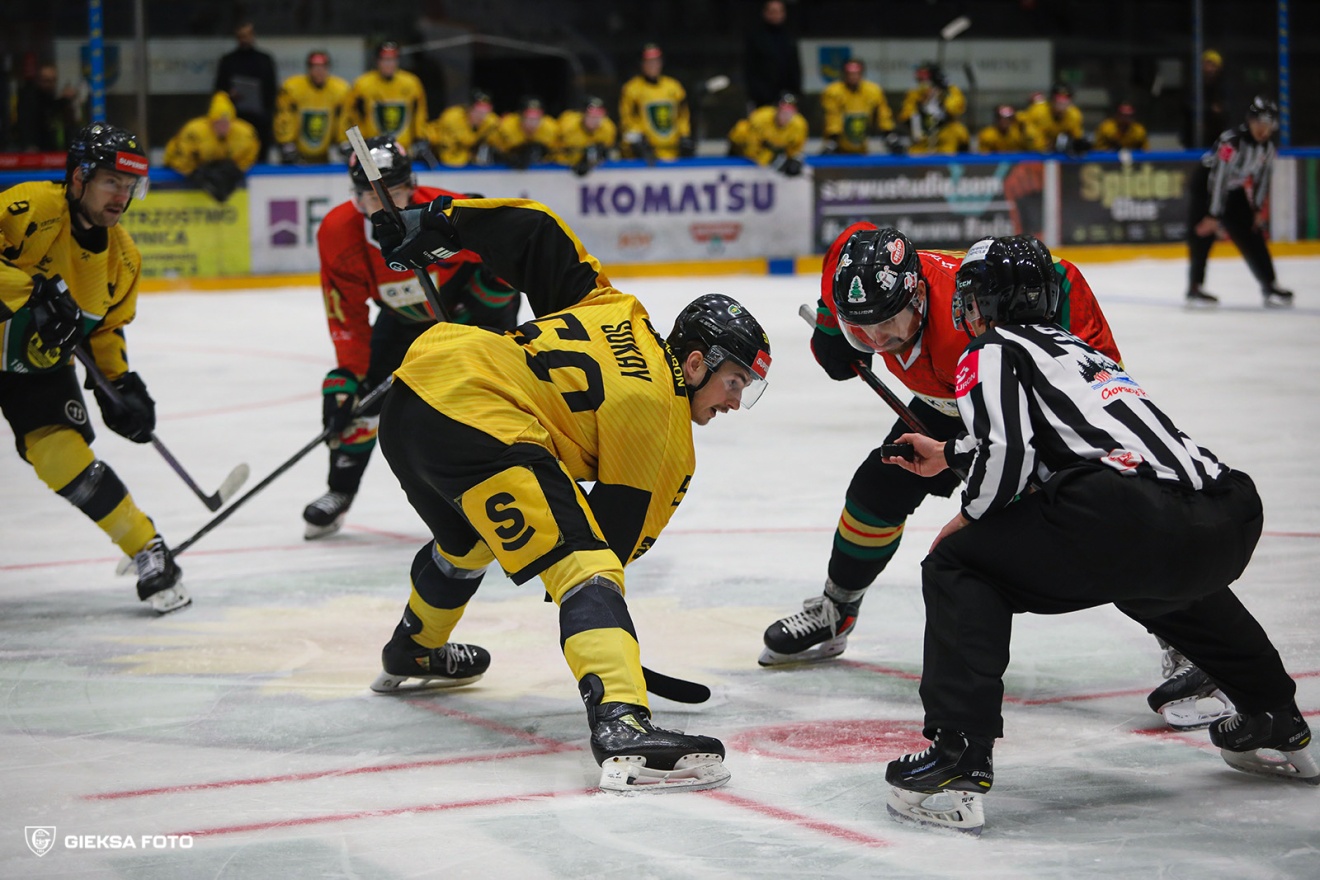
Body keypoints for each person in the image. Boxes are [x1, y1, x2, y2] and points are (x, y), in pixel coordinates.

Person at [881, 235, 1317, 835]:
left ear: (981, 301)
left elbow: (1008, 456)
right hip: (1226, 512)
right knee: (1151, 572)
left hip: (1127, 515)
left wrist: (963, 521)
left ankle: (959, 757)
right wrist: (952, 455)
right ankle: (1275, 714)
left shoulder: (990, 350)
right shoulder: (1081, 352)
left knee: (959, 563)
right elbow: (1066, 444)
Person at [363, 195, 772, 793]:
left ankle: (413, 650)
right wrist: (610, 641)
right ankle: (622, 722)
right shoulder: (662, 421)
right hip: (481, 419)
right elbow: (608, 546)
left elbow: (536, 229)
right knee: (586, 567)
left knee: (467, 541)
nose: (735, 401)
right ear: (694, 361)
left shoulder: (615, 308)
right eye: (735, 381)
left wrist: (438, 222)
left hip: (415, 393)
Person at [759, 225, 1120, 669]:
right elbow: (849, 240)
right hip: (944, 396)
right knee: (877, 487)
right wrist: (834, 326)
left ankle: (1183, 633)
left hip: (1019, 397)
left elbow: (1059, 276)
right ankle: (837, 609)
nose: (875, 341)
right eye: (861, 328)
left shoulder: (974, 314)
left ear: (918, 299)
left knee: (1089, 514)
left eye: (887, 324)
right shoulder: (860, 283)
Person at [0, 122, 189, 614]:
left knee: (62, 456)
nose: (121, 197)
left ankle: (148, 547)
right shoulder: (33, 208)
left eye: (129, 187)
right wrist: (29, 293)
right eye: (111, 182)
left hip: (32, 367)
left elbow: (105, 329)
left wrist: (117, 383)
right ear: (79, 178)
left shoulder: (123, 258)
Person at [302, 137, 521, 539]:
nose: (384, 205)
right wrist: (348, 373)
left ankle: (508, 490)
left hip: (469, 311)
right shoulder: (338, 233)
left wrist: (480, 309)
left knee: (482, 404)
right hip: (405, 320)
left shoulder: (444, 208)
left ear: (412, 185)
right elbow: (346, 313)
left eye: (396, 193)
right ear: (355, 196)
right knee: (357, 400)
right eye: (371, 195)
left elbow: (508, 260)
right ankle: (340, 491)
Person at [1186, 96, 1292, 308]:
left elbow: (1262, 179)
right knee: (1202, 234)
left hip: (1232, 189)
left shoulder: (1268, 149)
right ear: (1250, 122)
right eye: (1259, 124)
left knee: (1253, 234)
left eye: (1268, 125)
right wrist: (1213, 215)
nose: (1263, 130)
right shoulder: (1231, 142)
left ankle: (1269, 285)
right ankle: (1195, 288)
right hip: (1205, 187)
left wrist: (1256, 209)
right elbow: (1218, 179)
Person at [164, 91, 260, 202]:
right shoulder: (194, 132)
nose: (223, 127)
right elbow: (177, 156)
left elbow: (250, 155)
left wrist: (237, 169)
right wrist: (195, 172)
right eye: (218, 122)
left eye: (226, 123)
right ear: (210, 121)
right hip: (185, 172)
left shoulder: (246, 134)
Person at [340, 42, 429, 153]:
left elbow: (420, 114)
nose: (389, 64)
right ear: (377, 61)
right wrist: (349, 141)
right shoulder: (362, 84)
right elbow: (350, 115)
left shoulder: (411, 83)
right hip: (371, 150)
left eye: (392, 60)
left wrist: (420, 138)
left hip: (403, 149)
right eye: (385, 60)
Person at [213, 21, 278, 162]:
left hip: (260, 121)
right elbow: (219, 91)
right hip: (235, 120)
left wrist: (268, 114)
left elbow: (272, 90)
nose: (245, 39)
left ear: (253, 36)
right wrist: (229, 95)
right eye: (241, 36)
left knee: (260, 157)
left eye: (248, 35)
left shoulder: (264, 60)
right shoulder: (228, 61)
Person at [274, 51, 351, 164]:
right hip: (296, 152)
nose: (318, 72)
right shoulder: (292, 88)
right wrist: (286, 142)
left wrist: (344, 142)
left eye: (322, 67)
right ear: (308, 69)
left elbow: (345, 118)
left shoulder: (340, 89)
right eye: (314, 67)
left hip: (326, 152)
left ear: (328, 68)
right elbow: (284, 116)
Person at [618, 44, 693, 162]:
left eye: (656, 61)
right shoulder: (632, 89)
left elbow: (683, 114)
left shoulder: (673, 86)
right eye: (649, 62)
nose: (653, 65)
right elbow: (627, 118)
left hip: (671, 152)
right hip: (644, 154)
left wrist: (684, 135)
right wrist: (638, 139)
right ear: (642, 64)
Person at [819, 58, 898, 155]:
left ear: (862, 74)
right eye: (849, 74)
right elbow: (832, 116)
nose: (853, 77)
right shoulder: (833, 92)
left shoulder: (873, 91)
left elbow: (883, 115)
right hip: (837, 147)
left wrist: (890, 136)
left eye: (856, 73)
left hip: (861, 146)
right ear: (844, 74)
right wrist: (832, 140)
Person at [727, 92, 807, 176]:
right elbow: (750, 150)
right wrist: (771, 159)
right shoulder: (760, 118)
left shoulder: (800, 125)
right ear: (777, 109)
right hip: (740, 149)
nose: (785, 115)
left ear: (795, 113)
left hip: (769, 152)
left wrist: (795, 160)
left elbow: (796, 149)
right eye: (783, 110)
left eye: (789, 112)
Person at [898, 62, 969, 155]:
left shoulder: (951, 91)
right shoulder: (914, 94)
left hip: (945, 134)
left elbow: (955, 109)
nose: (921, 80)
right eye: (919, 76)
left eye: (925, 75)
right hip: (922, 137)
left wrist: (943, 95)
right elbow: (905, 116)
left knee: (958, 132)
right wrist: (921, 103)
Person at [743, 0, 801, 111]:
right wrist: (758, 94)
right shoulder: (755, 37)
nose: (776, 15)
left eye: (780, 11)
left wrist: (794, 92)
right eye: (773, 11)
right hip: (761, 99)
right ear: (765, 13)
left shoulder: (789, 37)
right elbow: (750, 68)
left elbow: (795, 67)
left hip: (786, 99)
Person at [425, 89, 500, 168]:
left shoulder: (491, 121)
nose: (482, 115)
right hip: (443, 160)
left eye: (486, 110)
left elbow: (496, 142)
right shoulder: (452, 118)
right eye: (478, 110)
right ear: (470, 108)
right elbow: (449, 159)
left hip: (467, 162)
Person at [14, 63, 80, 152]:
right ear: (38, 80)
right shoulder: (30, 98)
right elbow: (27, 122)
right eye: (46, 80)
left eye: (53, 80)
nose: (50, 84)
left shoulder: (50, 98)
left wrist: (66, 100)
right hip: (35, 148)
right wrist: (29, 144)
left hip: (52, 149)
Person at [488, 96, 560, 170]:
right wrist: (507, 158)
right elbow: (494, 149)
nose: (533, 123)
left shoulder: (551, 129)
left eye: (537, 118)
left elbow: (558, 152)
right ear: (520, 117)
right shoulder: (506, 127)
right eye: (529, 118)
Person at [557, 96, 617, 176]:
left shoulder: (608, 129)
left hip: (591, 171)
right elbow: (555, 148)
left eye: (599, 115)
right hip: (561, 169)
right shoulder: (567, 125)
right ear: (583, 114)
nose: (595, 119)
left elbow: (609, 153)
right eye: (591, 115)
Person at [1182, 49, 1230, 149]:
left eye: (1213, 65)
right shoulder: (1193, 86)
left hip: (1216, 136)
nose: (1209, 69)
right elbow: (1187, 106)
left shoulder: (1222, 87)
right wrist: (1209, 108)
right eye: (1207, 64)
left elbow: (1225, 109)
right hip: (1193, 136)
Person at [1021, 83, 1086, 154]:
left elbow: (1077, 140)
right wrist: (1055, 144)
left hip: (1053, 152)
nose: (1062, 101)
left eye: (1066, 98)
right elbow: (1035, 146)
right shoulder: (1037, 112)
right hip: (1022, 151)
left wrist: (1075, 144)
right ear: (1051, 99)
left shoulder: (1074, 115)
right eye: (1058, 97)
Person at [975, 104, 1045, 154]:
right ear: (996, 119)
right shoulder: (988, 135)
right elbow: (984, 158)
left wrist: (1025, 128)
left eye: (1009, 118)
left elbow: (1034, 149)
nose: (1005, 121)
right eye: (1001, 118)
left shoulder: (1019, 133)